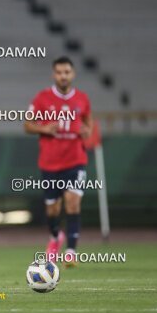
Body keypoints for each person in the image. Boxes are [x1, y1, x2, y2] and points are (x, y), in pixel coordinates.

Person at [24, 56, 92, 267]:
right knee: (52, 210)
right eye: (60, 72)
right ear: (54, 74)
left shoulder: (82, 99)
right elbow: (27, 124)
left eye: (67, 72)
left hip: (75, 161)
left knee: (72, 202)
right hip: (50, 163)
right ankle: (56, 237)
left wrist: (87, 131)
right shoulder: (42, 98)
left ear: (72, 74)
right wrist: (43, 128)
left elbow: (89, 123)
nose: (63, 76)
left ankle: (71, 251)